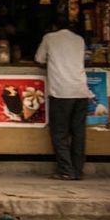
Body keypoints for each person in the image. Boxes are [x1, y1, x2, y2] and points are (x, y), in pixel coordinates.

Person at [34, 21, 91, 181]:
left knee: (59, 134)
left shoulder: (49, 38)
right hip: (80, 90)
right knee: (78, 133)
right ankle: (78, 171)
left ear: (54, 26)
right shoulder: (79, 39)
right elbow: (86, 59)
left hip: (61, 92)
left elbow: (39, 59)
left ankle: (66, 170)